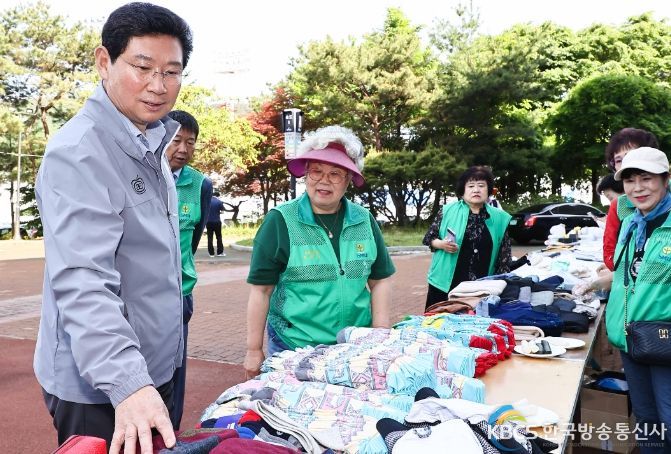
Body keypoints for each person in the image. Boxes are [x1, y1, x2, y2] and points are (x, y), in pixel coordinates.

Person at [34, 3, 193, 453]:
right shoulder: (80, 153)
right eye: (142, 67)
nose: (158, 85)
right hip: (104, 386)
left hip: (152, 370)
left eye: (171, 72)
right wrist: (128, 382)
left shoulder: (151, 140)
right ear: (105, 62)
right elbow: (83, 279)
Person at [243, 126, 396, 379]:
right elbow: (261, 290)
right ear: (305, 174)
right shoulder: (280, 221)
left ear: (349, 179)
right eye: (316, 171)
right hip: (294, 347)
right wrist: (253, 349)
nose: (324, 180)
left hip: (354, 348)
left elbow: (379, 280)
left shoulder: (364, 220)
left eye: (335, 173)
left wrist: (379, 335)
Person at [606, 147, 671, 453]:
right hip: (632, 339)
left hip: (664, 340)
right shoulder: (632, 223)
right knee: (647, 421)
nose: (638, 188)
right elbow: (630, 276)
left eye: (647, 178)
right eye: (630, 180)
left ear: (665, 179)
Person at [165, 110, 212, 429]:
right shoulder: (143, 176)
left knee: (175, 369)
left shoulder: (201, 185)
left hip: (179, 293)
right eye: (176, 140)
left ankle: (170, 434)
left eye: (190, 142)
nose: (183, 149)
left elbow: (193, 239)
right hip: (140, 294)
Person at [423, 166, 512, 311]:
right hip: (445, 282)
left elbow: (504, 256)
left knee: (474, 321)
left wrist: (499, 284)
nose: (476, 190)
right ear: (463, 190)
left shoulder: (500, 218)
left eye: (481, 185)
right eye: (471, 186)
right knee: (437, 319)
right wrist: (441, 244)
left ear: (488, 190)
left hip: (480, 287)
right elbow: (429, 238)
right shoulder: (447, 211)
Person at [602, 128, 659, 270]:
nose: (626, 164)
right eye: (618, 160)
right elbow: (610, 253)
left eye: (632, 155)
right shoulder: (619, 206)